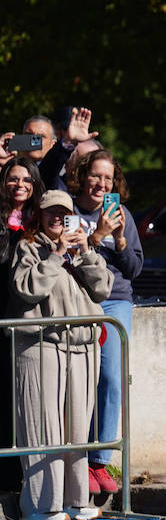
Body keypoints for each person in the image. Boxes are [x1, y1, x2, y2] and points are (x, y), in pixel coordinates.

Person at [9, 189, 113, 520]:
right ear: (38, 215)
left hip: (82, 345)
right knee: (44, 428)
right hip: (42, 344)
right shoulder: (28, 247)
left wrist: (86, 252)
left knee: (77, 428)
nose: (57, 219)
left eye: (63, 214)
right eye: (51, 213)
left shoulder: (80, 249)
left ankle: (76, 499)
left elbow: (104, 289)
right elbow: (26, 289)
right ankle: (41, 505)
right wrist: (55, 256)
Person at [69, 150, 143, 497]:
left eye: (108, 179)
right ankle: (76, 456)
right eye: (96, 176)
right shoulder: (68, 211)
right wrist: (96, 237)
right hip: (75, 297)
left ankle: (99, 459)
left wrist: (123, 241)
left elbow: (134, 269)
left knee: (111, 377)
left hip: (114, 299)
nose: (101, 184)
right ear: (83, 176)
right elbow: (69, 261)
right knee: (78, 379)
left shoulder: (120, 213)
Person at [0, 157, 45, 492]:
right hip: (2, 315)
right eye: (13, 179)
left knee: (24, 402)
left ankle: (21, 479)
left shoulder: (40, 219)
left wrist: (65, 146)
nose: (20, 185)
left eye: (27, 180)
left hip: (27, 319)